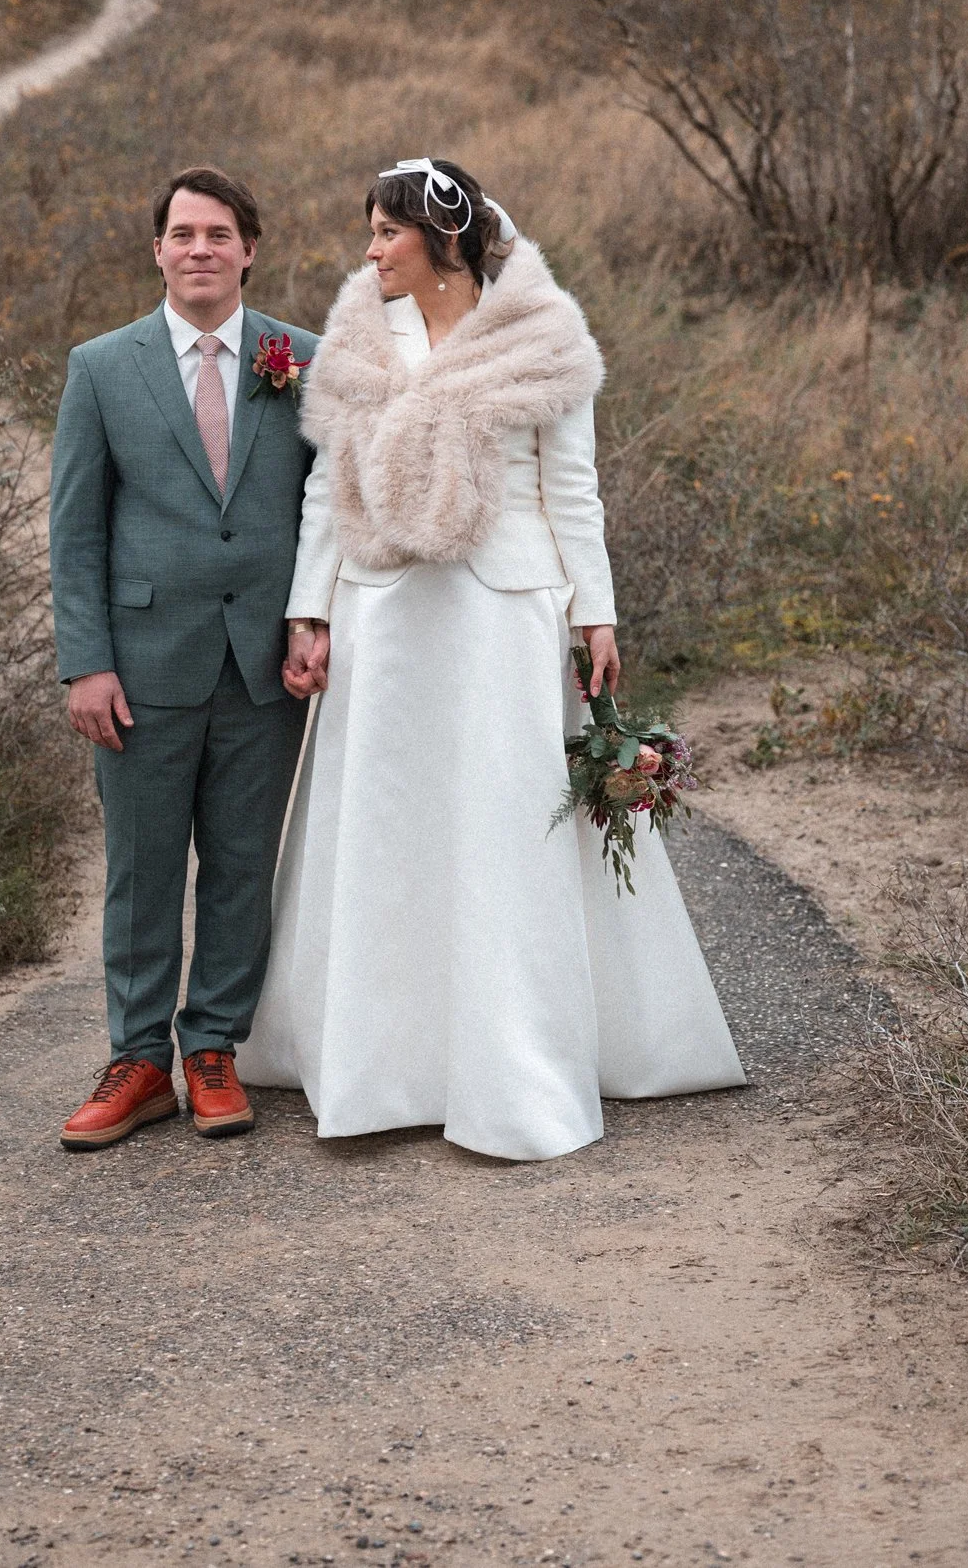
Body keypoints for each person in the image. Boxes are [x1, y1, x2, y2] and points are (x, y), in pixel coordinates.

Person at [239, 156, 745, 1161]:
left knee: (502, 822)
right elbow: (325, 493)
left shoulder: (538, 333)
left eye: (386, 232)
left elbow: (572, 486)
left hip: (501, 612)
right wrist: (309, 611)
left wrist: (592, 614)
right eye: (369, 232)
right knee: (389, 826)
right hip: (383, 616)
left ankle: (511, 1063)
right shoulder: (357, 335)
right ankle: (384, 1065)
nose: (369, 251)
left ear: (442, 239)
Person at [50, 166, 319, 1150]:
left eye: (218, 233)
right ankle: (135, 1060)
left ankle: (212, 1047)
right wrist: (85, 661)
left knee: (243, 865)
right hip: (140, 662)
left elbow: (328, 512)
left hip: (262, 667)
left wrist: (312, 618)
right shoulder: (102, 367)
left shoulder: (303, 358)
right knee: (144, 866)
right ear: (157, 249)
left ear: (250, 247)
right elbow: (73, 530)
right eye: (181, 234)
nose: (198, 249)